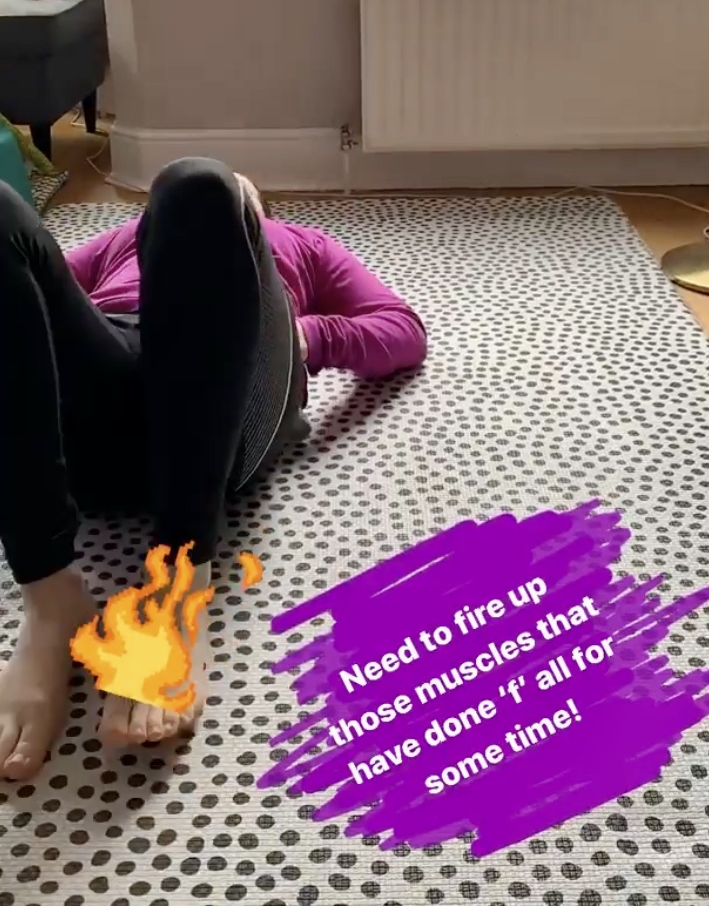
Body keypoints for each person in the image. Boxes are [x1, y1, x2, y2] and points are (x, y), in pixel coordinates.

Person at [0, 158, 427, 780]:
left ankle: (177, 584)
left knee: (197, 184)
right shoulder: (123, 238)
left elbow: (403, 330)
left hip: (225, 406)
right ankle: (50, 597)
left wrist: (307, 336)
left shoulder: (301, 244)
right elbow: (28, 291)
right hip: (101, 406)